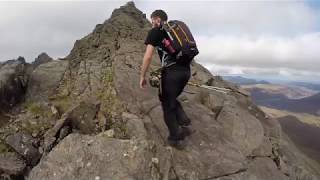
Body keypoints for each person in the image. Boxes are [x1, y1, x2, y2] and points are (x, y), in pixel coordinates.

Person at [140, 9, 192, 148]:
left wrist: (142, 76)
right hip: (186, 71)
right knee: (170, 97)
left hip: (172, 73)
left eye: (152, 20)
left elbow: (148, 56)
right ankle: (184, 120)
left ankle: (176, 138)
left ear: (157, 19)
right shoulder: (175, 32)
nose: (152, 24)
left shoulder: (155, 31)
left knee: (166, 105)